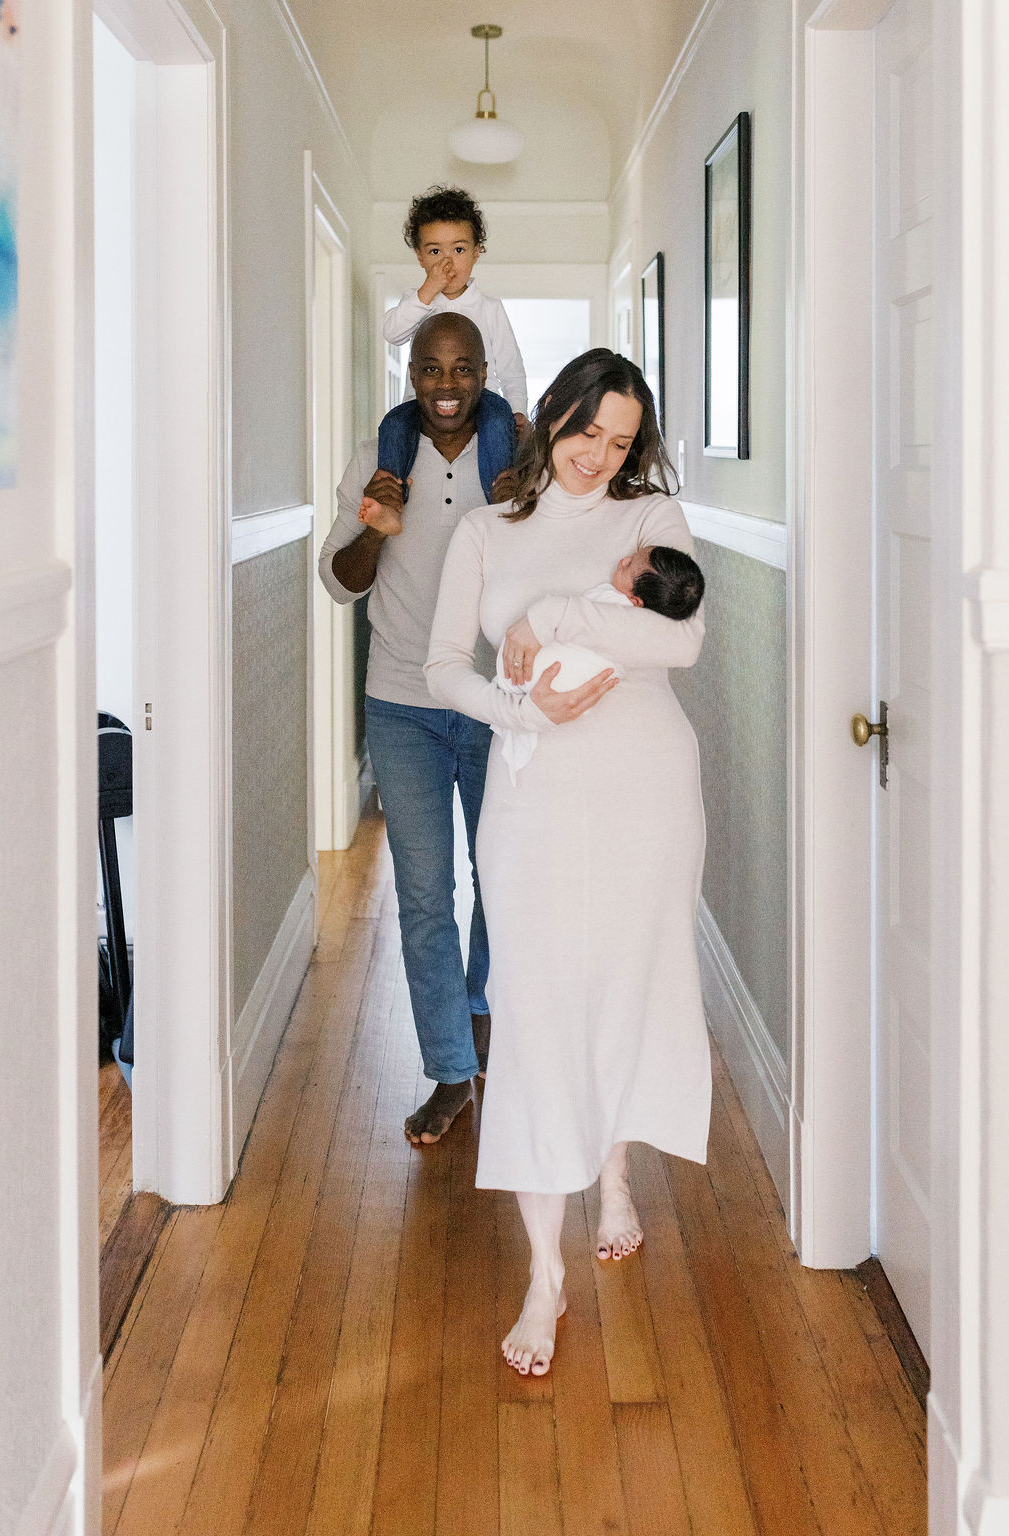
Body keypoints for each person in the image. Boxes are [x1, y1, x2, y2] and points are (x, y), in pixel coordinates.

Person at [425, 349, 711, 1376]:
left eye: (622, 442)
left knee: (627, 988)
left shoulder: (651, 518)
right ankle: (545, 1274)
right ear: (552, 413)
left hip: (645, 791)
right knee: (536, 1008)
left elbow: (679, 643)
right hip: (533, 793)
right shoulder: (483, 531)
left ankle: (615, 1170)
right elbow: (438, 667)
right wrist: (520, 711)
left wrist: (550, 618)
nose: (599, 457)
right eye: (587, 431)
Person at [319, 312, 500, 1146]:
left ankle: (479, 1004)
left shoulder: (515, 458)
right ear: (412, 374)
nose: (447, 385)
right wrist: (376, 527)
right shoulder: (380, 458)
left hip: (497, 704)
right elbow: (338, 581)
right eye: (431, 367)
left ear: (484, 373)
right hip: (402, 707)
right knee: (426, 896)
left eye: (463, 368)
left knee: (502, 878)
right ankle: (450, 1070)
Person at [493, 545, 705, 782]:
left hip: (529, 678)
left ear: (636, 602)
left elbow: (688, 648)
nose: (623, 560)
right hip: (549, 703)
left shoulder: (610, 601)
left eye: (629, 564)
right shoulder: (651, 631)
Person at [382, 185, 529, 433]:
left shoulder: (490, 308)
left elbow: (511, 368)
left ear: (476, 252)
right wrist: (429, 289)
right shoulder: (416, 300)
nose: (446, 262)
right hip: (423, 401)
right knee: (393, 426)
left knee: (498, 425)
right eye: (435, 251)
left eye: (458, 249)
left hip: (483, 400)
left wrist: (518, 410)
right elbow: (392, 333)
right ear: (420, 256)